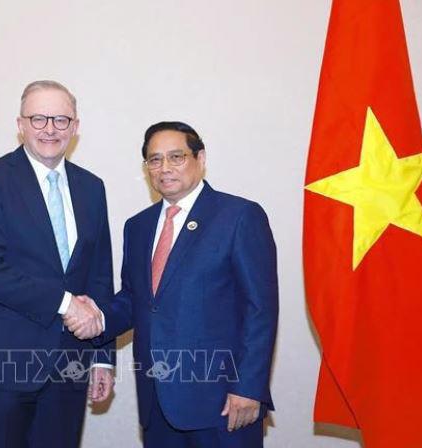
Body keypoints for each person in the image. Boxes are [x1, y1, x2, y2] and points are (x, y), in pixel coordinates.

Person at [66, 121, 278, 447]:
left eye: (176, 157)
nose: (164, 168)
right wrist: (100, 317)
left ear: (200, 158)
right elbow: (137, 300)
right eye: (154, 159)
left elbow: (260, 310)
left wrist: (249, 387)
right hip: (157, 401)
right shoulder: (138, 226)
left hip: (224, 402)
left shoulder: (239, 216)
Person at [0, 80, 115, 447]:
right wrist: (65, 303)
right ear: (20, 124)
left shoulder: (92, 187)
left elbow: (99, 276)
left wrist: (103, 356)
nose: (50, 129)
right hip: (3, 364)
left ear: (75, 127)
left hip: (69, 365)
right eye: (38, 118)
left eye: (61, 120)